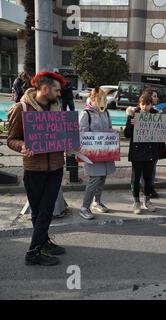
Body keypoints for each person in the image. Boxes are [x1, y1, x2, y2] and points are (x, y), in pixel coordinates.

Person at [7, 71, 68, 266]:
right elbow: (11, 140)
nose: (59, 94)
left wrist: (72, 143)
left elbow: (62, 137)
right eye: (57, 90)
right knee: (40, 211)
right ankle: (33, 253)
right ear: (44, 88)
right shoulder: (22, 108)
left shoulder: (57, 110)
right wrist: (22, 147)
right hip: (34, 169)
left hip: (56, 167)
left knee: (45, 210)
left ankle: (43, 243)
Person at [79, 88, 116, 220]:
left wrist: (112, 135)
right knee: (94, 179)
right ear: (93, 99)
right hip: (92, 153)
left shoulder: (106, 112)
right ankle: (84, 207)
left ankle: (97, 201)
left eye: (104, 99)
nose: (103, 102)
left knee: (102, 178)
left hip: (105, 152)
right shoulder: (86, 114)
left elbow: (110, 128)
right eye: (100, 99)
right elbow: (82, 133)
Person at [124, 92, 158, 214]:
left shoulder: (156, 115)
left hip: (150, 151)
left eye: (147, 104)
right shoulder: (133, 115)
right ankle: (136, 202)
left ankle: (147, 201)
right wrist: (132, 125)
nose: (144, 107)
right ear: (139, 104)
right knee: (136, 177)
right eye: (142, 104)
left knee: (149, 178)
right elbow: (126, 134)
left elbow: (162, 133)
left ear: (151, 105)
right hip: (137, 152)